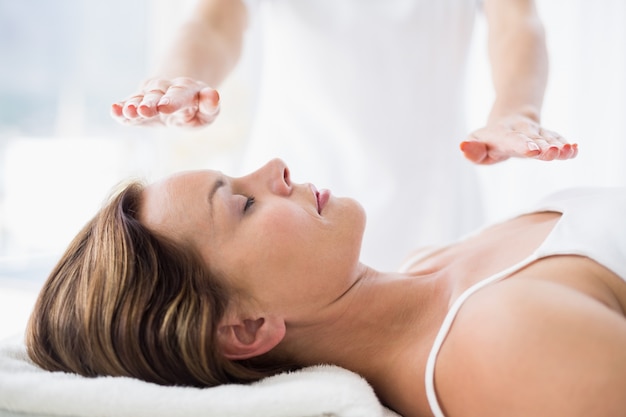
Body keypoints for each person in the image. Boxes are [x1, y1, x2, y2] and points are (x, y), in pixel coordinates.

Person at [27, 158, 626, 417]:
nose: (275, 169)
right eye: (243, 203)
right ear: (248, 327)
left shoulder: (427, 264)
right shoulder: (501, 347)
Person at [110, 0, 578, 270]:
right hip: (288, 196)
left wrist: (516, 110)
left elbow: (518, 23)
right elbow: (212, 22)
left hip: (432, 194)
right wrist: (176, 78)